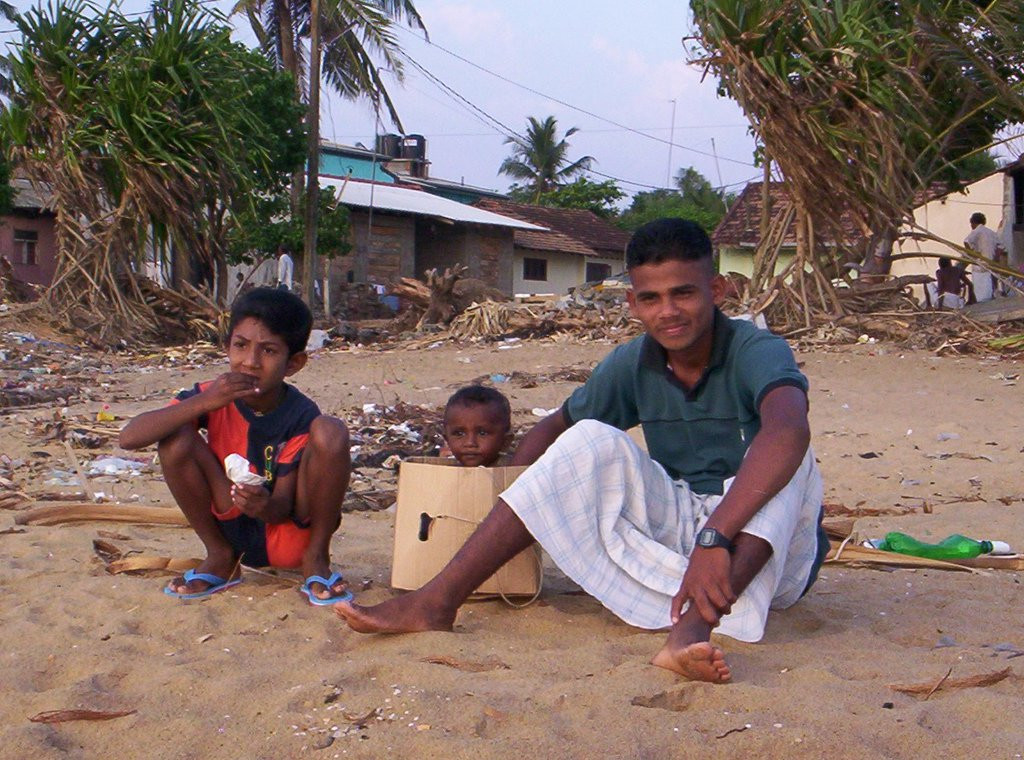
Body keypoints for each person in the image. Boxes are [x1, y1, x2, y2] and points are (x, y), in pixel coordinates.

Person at [335, 218, 827, 684]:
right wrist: (500, 505)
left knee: (791, 454)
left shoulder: (754, 349)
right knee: (589, 437)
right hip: (685, 540)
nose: (669, 311)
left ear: (716, 291)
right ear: (633, 303)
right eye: (652, 298)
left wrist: (715, 539)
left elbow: (787, 430)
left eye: (684, 293)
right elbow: (556, 428)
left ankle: (690, 632)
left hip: (764, 560)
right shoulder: (635, 361)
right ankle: (436, 602)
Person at [120, 287, 352, 605]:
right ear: (227, 347)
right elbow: (129, 438)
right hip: (227, 519)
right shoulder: (212, 395)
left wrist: (264, 505)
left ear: (293, 363)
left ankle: (317, 557)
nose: (250, 362)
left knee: (330, 430)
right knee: (174, 439)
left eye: (268, 351)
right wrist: (206, 401)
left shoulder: (300, 413)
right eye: (241, 346)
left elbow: (282, 506)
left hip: (284, 536)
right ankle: (219, 555)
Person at [442, 385, 513, 468]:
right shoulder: (442, 474)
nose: (470, 443)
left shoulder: (517, 474)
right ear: (447, 440)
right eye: (459, 433)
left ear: (506, 441)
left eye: (482, 433)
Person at [964, 212, 998, 302]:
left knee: (980, 290)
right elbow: (1000, 248)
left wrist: (971, 254)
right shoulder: (992, 233)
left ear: (973, 222)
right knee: (990, 285)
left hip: (980, 264)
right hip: (991, 263)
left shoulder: (977, 231)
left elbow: (966, 241)